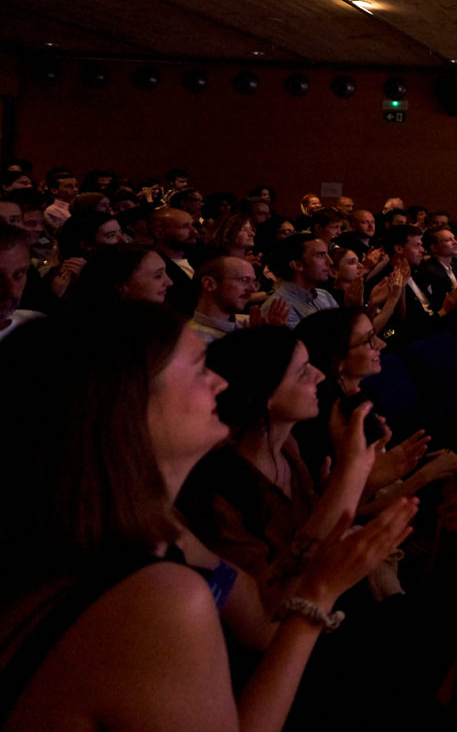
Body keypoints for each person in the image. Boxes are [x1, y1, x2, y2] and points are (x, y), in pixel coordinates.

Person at [0, 303, 414, 732]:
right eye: (200, 370)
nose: (221, 382)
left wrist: (320, 578)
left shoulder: (162, 529)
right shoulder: (156, 592)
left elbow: (260, 621)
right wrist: (319, 597)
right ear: (127, 410)